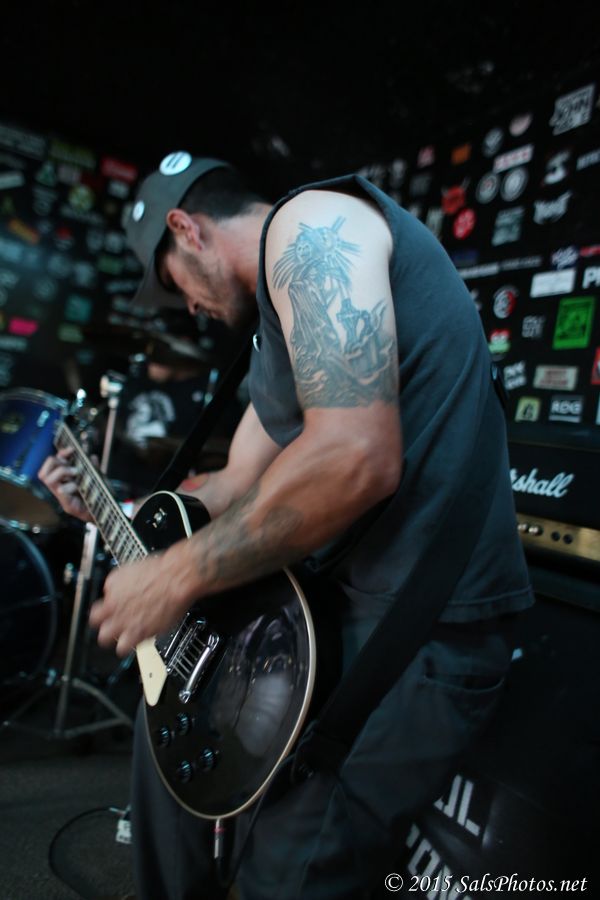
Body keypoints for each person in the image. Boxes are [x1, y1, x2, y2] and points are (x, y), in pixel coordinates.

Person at [39, 152, 534, 899]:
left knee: (288, 876)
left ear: (187, 229)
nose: (189, 310)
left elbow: (354, 456)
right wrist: (111, 509)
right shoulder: (273, 335)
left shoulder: (311, 225)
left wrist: (175, 575)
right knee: (163, 749)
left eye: (173, 283)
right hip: (338, 611)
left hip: (421, 627)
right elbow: (232, 485)